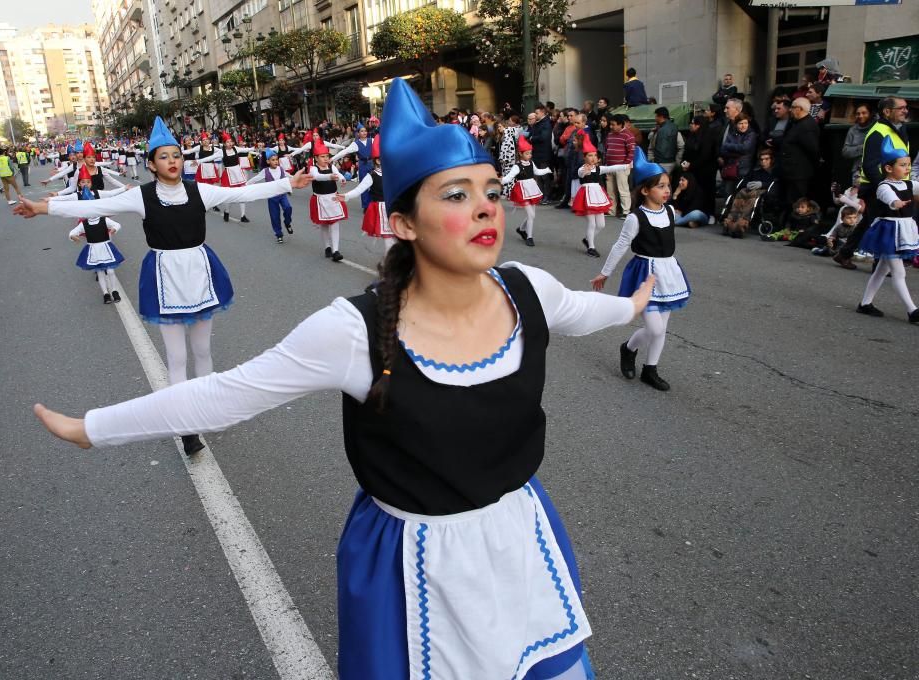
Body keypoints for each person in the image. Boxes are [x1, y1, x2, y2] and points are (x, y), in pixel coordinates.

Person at [33, 77, 655, 680]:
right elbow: (228, 394)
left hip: (518, 533)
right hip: (414, 560)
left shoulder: (528, 290)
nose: (486, 206)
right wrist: (93, 428)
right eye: (456, 194)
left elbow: (584, 310)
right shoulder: (356, 329)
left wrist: (631, 305)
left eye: (490, 189)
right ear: (405, 223)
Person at [14, 116, 312, 456]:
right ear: (152, 164)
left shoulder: (200, 190)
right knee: (177, 355)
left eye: (176, 155)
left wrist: (288, 183)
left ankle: (208, 410)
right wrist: (42, 207)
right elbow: (95, 205)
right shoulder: (141, 197)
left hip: (199, 270)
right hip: (165, 274)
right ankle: (185, 426)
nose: (173, 161)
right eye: (164, 157)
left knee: (202, 350)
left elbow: (243, 191)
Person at [592, 147, 690, 392]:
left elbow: (671, 206)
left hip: (668, 272)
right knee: (655, 328)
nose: (666, 190)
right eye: (660, 186)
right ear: (645, 190)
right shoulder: (636, 217)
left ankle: (650, 369)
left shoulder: (668, 210)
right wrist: (605, 273)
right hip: (644, 273)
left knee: (661, 329)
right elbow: (620, 246)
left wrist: (678, 192)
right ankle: (628, 348)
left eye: (668, 185)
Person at [834, 96, 911, 270]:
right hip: (879, 187)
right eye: (901, 108)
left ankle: (845, 253)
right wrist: (885, 187)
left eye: (906, 107)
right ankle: (880, 264)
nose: (905, 111)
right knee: (883, 223)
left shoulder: (899, 129)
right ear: (887, 111)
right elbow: (869, 165)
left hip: (894, 186)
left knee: (869, 221)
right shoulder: (878, 132)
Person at [855, 138, 919, 323]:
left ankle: (865, 304)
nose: (907, 168)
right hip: (889, 232)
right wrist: (896, 202)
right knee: (899, 273)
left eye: (908, 165)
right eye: (903, 165)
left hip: (903, 231)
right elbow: (889, 198)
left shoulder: (908, 184)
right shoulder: (883, 186)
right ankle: (912, 310)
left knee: (881, 271)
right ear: (889, 168)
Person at [63, 165, 126, 304]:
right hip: (93, 249)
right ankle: (105, 294)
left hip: (105, 246)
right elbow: (72, 232)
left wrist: (115, 229)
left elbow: (116, 223)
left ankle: (114, 291)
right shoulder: (83, 223)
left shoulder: (103, 218)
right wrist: (73, 236)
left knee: (110, 271)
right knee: (99, 272)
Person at [572, 134, 631, 256]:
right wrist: (585, 171)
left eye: (594, 155)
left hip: (598, 196)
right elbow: (581, 174)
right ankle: (591, 247)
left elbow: (612, 168)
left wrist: (626, 165)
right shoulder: (581, 169)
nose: (593, 158)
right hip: (587, 197)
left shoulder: (599, 169)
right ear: (584, 157)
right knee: (592, 223)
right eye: (590, 155)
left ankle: (588, 239)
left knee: (601, 225)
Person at [338, 136, 394, 254]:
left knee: (400, 238)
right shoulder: (371, 176)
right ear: (378, 160)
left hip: (395, 207)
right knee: (389, 239)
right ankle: (390, 265)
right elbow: (359, 190)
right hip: (382, 209)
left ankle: (391, 263)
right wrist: (346, 196)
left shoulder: (394, 172)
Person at [502, 135, 552, 247]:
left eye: (530, 153)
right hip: (522, 191)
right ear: (520, 153)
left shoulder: (531, 163)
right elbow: (508, 178)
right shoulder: (517, 166)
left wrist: (546, 170)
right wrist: (499, 181)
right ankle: (529, 237)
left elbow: (537, 172)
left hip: (532, 189)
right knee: (531, 215)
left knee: (532, 215)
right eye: (527, 153)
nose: (529, 155)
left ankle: (521, 229)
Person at [307, 138, 348, 262]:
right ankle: (327, 247)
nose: (325, 159)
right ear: (316, 158)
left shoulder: (331, 167)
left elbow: (338, 174)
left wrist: (342, 179)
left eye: (327, 156)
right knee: (324, 225)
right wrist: (329, 176)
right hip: (321, 200)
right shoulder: (313, 168)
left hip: (333, 198)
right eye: (322, 156)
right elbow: (317, 177)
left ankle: (336, 250)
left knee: (335, 224)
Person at [246, 149, 295, 244]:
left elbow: (289, 176)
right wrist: (246, 184)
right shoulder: (265, 171)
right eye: (273, 160)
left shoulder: (281, 169)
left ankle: (287, 222)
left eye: (276, 159)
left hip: (282, 194)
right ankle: (279, 234)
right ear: (268, 161)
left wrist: (297, 178)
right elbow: (255, 179)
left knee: (288, 208)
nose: (275, 161)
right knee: (275, 216)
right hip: (272, 197)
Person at [780, 98, 820, 207]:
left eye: (792, 107)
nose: (790, 110)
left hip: (799, 174)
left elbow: (813, 150)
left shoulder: (807, 126)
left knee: (797, 203)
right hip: (792, 172)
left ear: (799, 109)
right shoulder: (797, 123)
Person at [680, 116, 717, 223]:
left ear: (699, 125)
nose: (691, 125)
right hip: (692, 171)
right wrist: (684, 163)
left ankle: (709, 214)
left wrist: (691, 165)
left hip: (706, 171)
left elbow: (705, 155)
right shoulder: (691, 136)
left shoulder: (708, 137)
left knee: (707, 193)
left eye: (693, 123)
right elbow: (687, 152)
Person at [604, 115, 635, 217]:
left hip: (621, 167)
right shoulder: (610, 135)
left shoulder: (628, 135)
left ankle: (626, 212)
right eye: (610, 124)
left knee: (623, 190)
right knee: (610, 190)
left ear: (620, 124)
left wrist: (625, 164)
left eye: (613, 125)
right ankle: (611, 210)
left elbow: (631, 152)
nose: (611, 127)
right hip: (609, 166)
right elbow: (607, 149)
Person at [841, 103, 875, 187]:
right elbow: (845, 151)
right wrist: (863, 148)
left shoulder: (876, 128)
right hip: (858, 171)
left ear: (870, 114)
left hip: (875, 170)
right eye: (858, 113)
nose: (860, 116)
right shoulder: (852, 130)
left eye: (864, 113)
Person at [528, 105, 554, 204]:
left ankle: (547, 196)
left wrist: (532, 138)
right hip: (537, 153)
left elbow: (544, 137)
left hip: (544, 153)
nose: (536, 114)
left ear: (543, 112)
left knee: (545, 176)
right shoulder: (539, 123)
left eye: (537, 113)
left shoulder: (546, 123)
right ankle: (541, 195)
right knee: (538, 176)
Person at [648, 107, 683, 176]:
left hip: (662, 162)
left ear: (661, 116)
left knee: (662, 182)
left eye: (656, 116)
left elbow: (660, 148)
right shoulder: (674, 127)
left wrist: (653, 161)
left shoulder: (662, 130)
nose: (655, 118)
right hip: (670, 161)